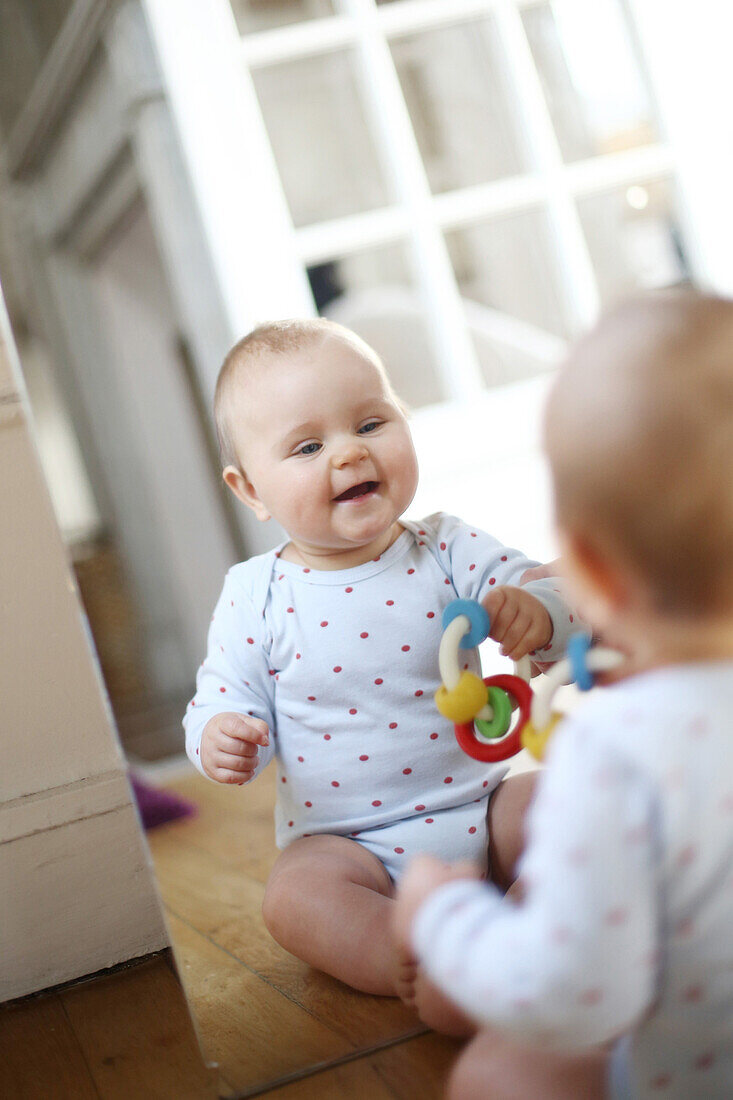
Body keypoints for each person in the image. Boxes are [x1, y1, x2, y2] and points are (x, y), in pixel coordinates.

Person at [393, 292, 733, 1097]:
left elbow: (570, 1000)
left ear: (594, 571)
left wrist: (440, 914)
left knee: (495, 1071)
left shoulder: (615, 748)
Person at [183, 317, 580, 1004]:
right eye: (308, 446)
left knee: (571, 802)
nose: (348, 455)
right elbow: (221, 696)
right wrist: (219, 734)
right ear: (249, 490)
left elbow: (552, 590)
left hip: (485, 809)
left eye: (370, 425)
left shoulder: (446, 546)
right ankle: (405, 953)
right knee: (293, 897)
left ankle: (525, 917)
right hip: (351, 845)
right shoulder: (257, 595)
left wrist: (537, 611)